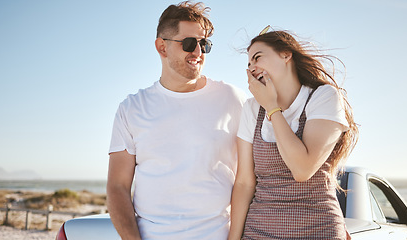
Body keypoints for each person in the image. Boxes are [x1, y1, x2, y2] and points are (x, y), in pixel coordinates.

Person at [106, 1, 246, 240]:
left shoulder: (233, 99)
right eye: (189, 43)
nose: (199, 52)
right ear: (162, 47)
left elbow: (250, 178)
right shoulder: (131, 108)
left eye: (204, 44)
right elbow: (117, 187)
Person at [228, 26, 358, 239]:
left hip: (318, 230)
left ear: (286, 54)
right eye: (249, 63)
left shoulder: (323, 97)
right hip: (259, 230)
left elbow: (302, 169)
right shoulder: (252, 108)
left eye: (257, 58)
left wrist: (272, 108)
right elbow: (244, 182)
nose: (251, 68)